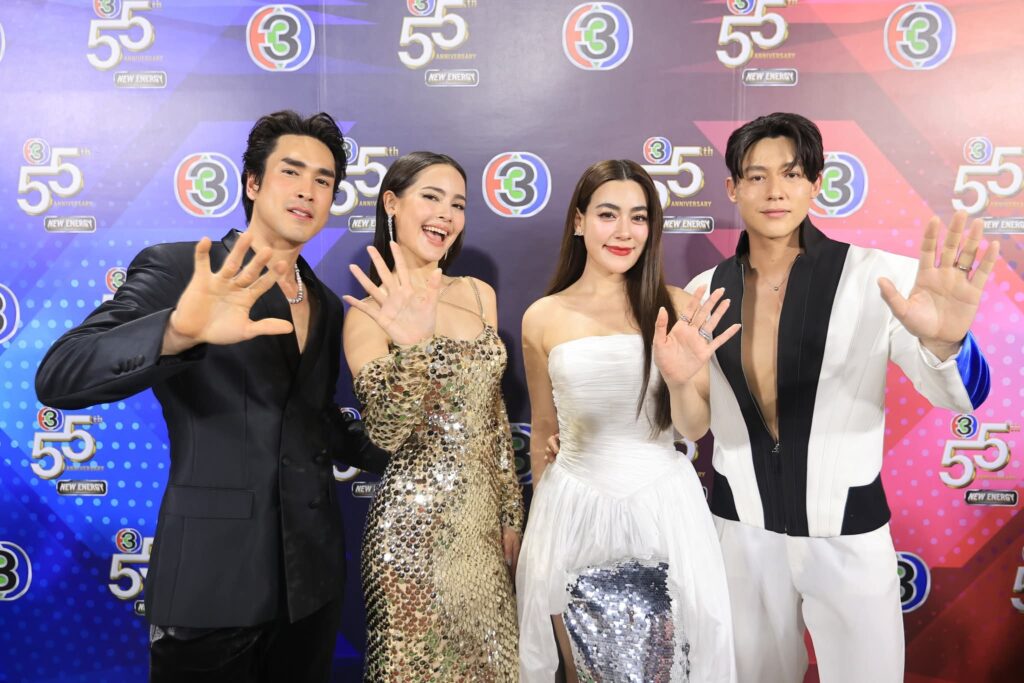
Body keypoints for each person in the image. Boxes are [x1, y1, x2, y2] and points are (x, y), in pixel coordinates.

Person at [34, 110, 389, 682]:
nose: (307, 190)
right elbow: (61, 374)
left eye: (323, 180)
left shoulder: (325, 302)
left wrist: (410, 449)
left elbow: (314, 420)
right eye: (291, 172)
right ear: (252, 183)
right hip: (209, 584)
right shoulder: (181, 270)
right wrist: (178, 330)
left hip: (312, 588)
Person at [654, 112, 995, 682]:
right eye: (757, 176)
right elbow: (694, 427)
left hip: (848, 531)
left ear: (816, 183)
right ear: (733, 187)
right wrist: (679, 381)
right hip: (740, 532)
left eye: (791, 174)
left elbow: (962, 397)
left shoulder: (878, 277)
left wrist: (945, 340)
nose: (775, 191)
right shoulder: (704, 292)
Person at [515, 160, 737, 683]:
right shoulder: (542, 317)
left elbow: (694, 428)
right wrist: (544, 526)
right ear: (578, 221)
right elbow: (543, 427)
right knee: (582, 668)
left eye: (638, 217)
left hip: (661, 509)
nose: (623, 231)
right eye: (607, 214)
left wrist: (680, 379)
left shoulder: (678, 305)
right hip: (572, 510)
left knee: (666, 669)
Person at [342, 151, 523, 682]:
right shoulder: (369, 311)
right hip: (411, 535)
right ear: (392, 203)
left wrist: (511, 514)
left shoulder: (478, 293)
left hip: (483, 535)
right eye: (431, 197)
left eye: (458, 204)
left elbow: (493, 416)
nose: (446, 213)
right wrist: (416, 347)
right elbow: (385, 430)